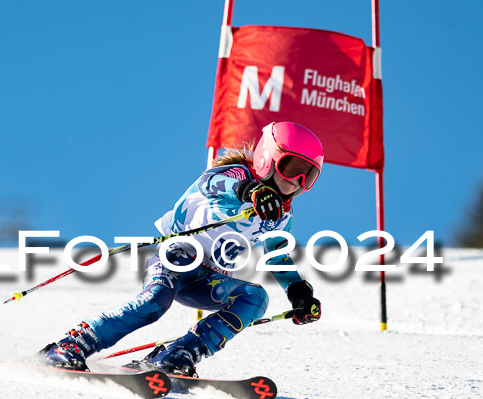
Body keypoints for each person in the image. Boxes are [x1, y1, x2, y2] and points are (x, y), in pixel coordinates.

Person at [40, 121, 324, 376]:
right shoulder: (236, 174)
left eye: (308, 176)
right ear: (267, 158)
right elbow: (212, 184)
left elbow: (277, 255)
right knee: (155, 302)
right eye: (292, 168)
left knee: (255, 297)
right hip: (175, 259)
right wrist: (249, 190)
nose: (296, 181)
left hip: (207, 280)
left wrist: (298, 293)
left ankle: (177, 355)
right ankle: (72, 345)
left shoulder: (281, 215)